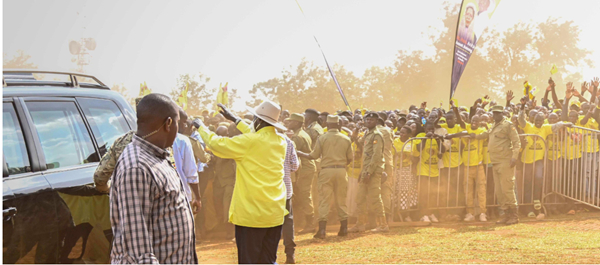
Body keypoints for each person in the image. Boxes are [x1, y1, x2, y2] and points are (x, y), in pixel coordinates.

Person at [197, 100, 288, 264]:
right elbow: (257, 135)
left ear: (258, 121)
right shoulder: (281, 141)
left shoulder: (249, 142)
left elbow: (216, 143)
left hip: (252, 214)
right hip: (275, 212)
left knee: (249, 261)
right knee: (268, 260)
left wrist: (200, 127)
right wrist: (235, 119)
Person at [110, 93, 197, 264]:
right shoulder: (137, 167)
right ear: (169, 123)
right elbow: (138, 252)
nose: (179, 128)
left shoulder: (157, 155)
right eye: (178, 122)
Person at [297, 115, 353, 239]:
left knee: (324, 200)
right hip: (341, 171)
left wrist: (301, 153)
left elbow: (314, 155)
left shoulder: (322, 138)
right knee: (341, 200)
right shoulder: (346, 138)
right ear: (339, 125)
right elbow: (350, 158)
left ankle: (322, 231)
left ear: (327, 125)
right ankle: (344, 228)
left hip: (326, 171)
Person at [473, 105, 521, 225]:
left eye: (497, 113)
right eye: (494, 113)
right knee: (499, 191)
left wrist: (515, 157)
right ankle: (505, 214)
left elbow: (516, 142)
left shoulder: (508, 125)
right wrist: (474, 136)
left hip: (506, 161)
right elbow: (485, 135)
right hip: (495, 161)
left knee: (507, 189)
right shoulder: (493, 126)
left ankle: (514, 216)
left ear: (502, 114)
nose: (495, 115)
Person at [349, 112, 388, 233]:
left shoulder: (377, 135)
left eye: (372, 120)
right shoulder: (367, 133)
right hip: (365, 169)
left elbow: (376, 156)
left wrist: (369, 172)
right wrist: (356, 128)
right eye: (367, 120)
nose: (369, 122)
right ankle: (360, 224)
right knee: (360, 198)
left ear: (376, 121)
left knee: (375, 198)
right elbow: (356, 141)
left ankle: (383, 225)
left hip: (374, 171)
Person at [285, 113, 317, 234]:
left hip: (304, 168)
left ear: (298, 123)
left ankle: (310, 223)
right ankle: (306, 221)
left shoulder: (297, 137)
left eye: (291, 121)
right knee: (303, 194)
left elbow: (290, 154)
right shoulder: (303, 133)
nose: (288, 123)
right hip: (306, 167)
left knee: (304, 195)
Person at [172, 108, 202, 213]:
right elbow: (191, 173)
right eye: (183, 122)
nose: (185, 126)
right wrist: (197, 197)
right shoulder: (183, 141)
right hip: (182, 195)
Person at [212, 126, 237, 240]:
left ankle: (230, 231)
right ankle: (222, 227)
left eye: (222, 134)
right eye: (218, 134)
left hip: (229, 180)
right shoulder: (216, 144)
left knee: (227, 206)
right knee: (218, 204)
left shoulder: (230, 145)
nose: (220, 137)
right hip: (218, 180)